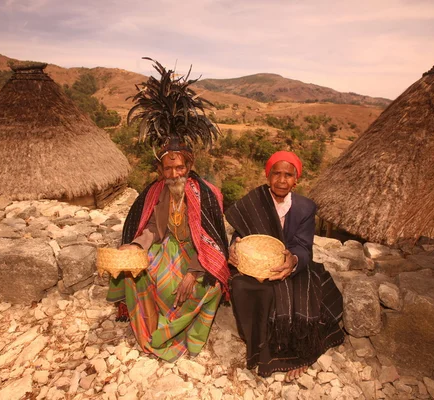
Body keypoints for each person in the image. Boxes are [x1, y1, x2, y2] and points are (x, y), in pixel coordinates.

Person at [106, 59, 229, 362]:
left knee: (208, 286)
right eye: (168, 168)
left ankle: (185, 332)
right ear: (160, 169)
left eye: (180, 167)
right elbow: (149, 230)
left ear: (190, 166)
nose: (174, 173)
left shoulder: (208, 195)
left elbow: (213, 241)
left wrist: (195, 271)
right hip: (167, 248)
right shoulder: (155, 192)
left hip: (195, 254)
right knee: (139, 271)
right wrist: (134, 247)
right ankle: (150, 326)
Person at [225, 151, 344, 381]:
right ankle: (258, 348)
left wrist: (293, 261)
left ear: (296, 179)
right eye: (276, 174)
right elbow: (240, 236)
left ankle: (299, 354)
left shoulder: (305, 208)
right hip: (258, 265)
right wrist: (234, 249)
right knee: (242, 285)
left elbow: (303, 246)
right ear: (267, 176)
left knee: (303, 289)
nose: (281, 180)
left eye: (288, 175)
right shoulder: (254, 202)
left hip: (291, 265)